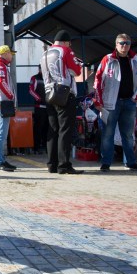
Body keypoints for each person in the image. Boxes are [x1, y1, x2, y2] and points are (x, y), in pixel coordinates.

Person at [94, 33, 137, 172]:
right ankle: (106, 163)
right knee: (108, 134)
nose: (125, 46)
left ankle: (130, 162)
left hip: (129, 102)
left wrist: (135, 97)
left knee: (128, 135)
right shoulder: (108, 59)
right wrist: (98, 101)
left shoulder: (136, 60)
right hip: (110, 103)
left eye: (128, 43)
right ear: (116, 45)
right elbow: (98, 80)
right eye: (122, 43)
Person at [40, 30, 84, 174]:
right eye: (69, 43)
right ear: (66, 42)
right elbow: (76, 71)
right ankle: (64, 165)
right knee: (65, 130)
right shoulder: (65, 51)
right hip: (64, 93)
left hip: (48, 93)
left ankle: (52, 165)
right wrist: (78, 64)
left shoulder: (45, 53)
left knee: (52, 130)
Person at [0, 45, 17, 172]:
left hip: (2, 104)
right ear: (5, 53)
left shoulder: (1, 65)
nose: (12, 56)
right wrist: (10, 95)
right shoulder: (0, 66)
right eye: (10, 53)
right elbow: (1, 83)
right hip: (2, 104)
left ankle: (1, 160)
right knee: (1, 134)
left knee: (3, 134)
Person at [29, 64, 48, 153]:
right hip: (39, 107)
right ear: (39, 69)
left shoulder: (50, 77)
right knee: (38, 128)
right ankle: (36, 147)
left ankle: (47, 146)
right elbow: (31, 90)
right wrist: (39, 99)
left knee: (48, 128)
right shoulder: (34, 78)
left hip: (49, 108)